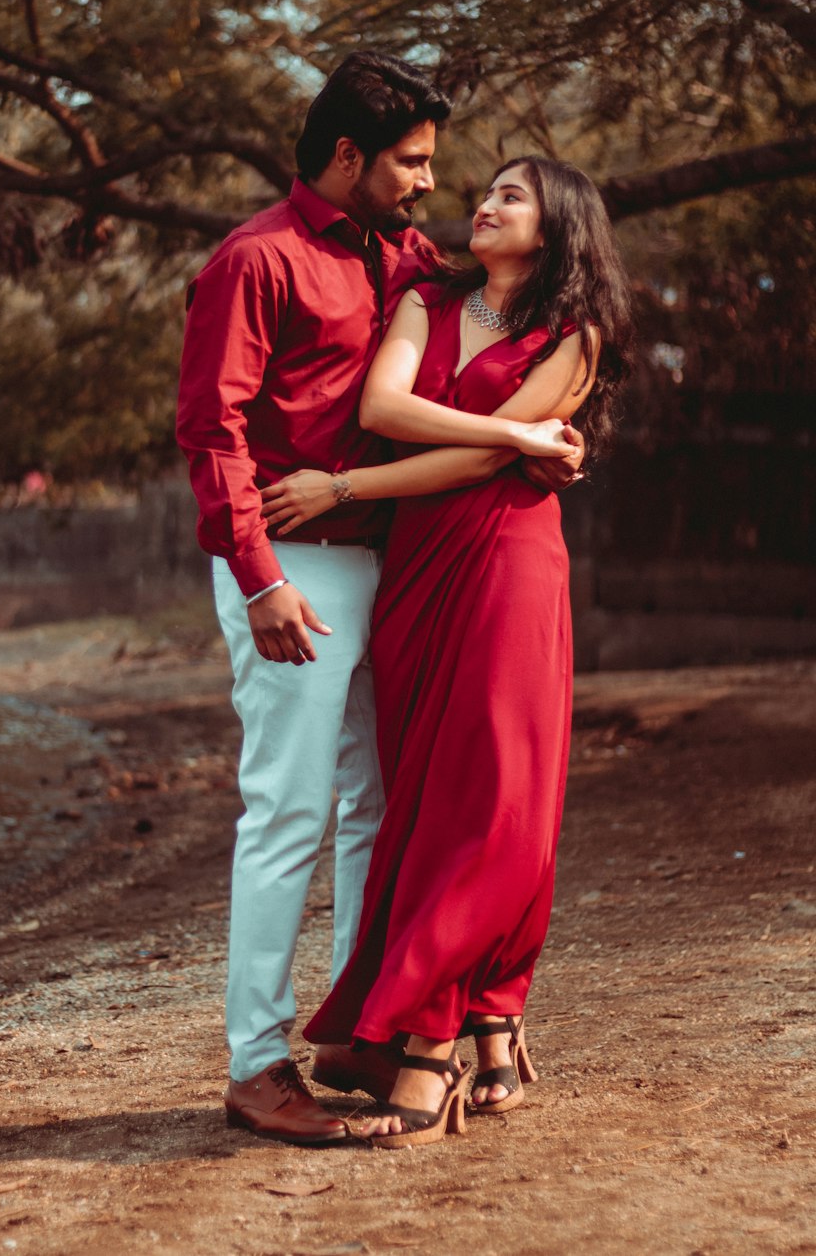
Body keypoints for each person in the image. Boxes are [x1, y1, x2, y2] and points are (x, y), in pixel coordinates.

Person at [176, 56, 582, 1146]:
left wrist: (546, 439)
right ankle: (256, 1066)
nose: (426, 185)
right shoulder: (254, 261)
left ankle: (368, 1030)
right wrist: (257, 576)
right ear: (347, 156)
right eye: (410, 163)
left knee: (381, 807)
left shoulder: (407, 258)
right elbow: (211, 431)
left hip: (399, 566)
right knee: (288, 810)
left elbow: (508, 333)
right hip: (294, 564)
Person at [260, 155, 632, 1147]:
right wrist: (520, 436)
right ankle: (492, 1020)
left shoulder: (574, 335)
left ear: (556, 226)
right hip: (417, 574)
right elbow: (383, 412)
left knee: (499, 798)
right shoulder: (428, 298)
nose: (485, 201)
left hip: (507, 557)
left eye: (512, 194)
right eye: (489, 188)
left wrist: (342, 491)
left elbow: (473, 459)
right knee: (423, 798)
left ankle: (426, 1046)